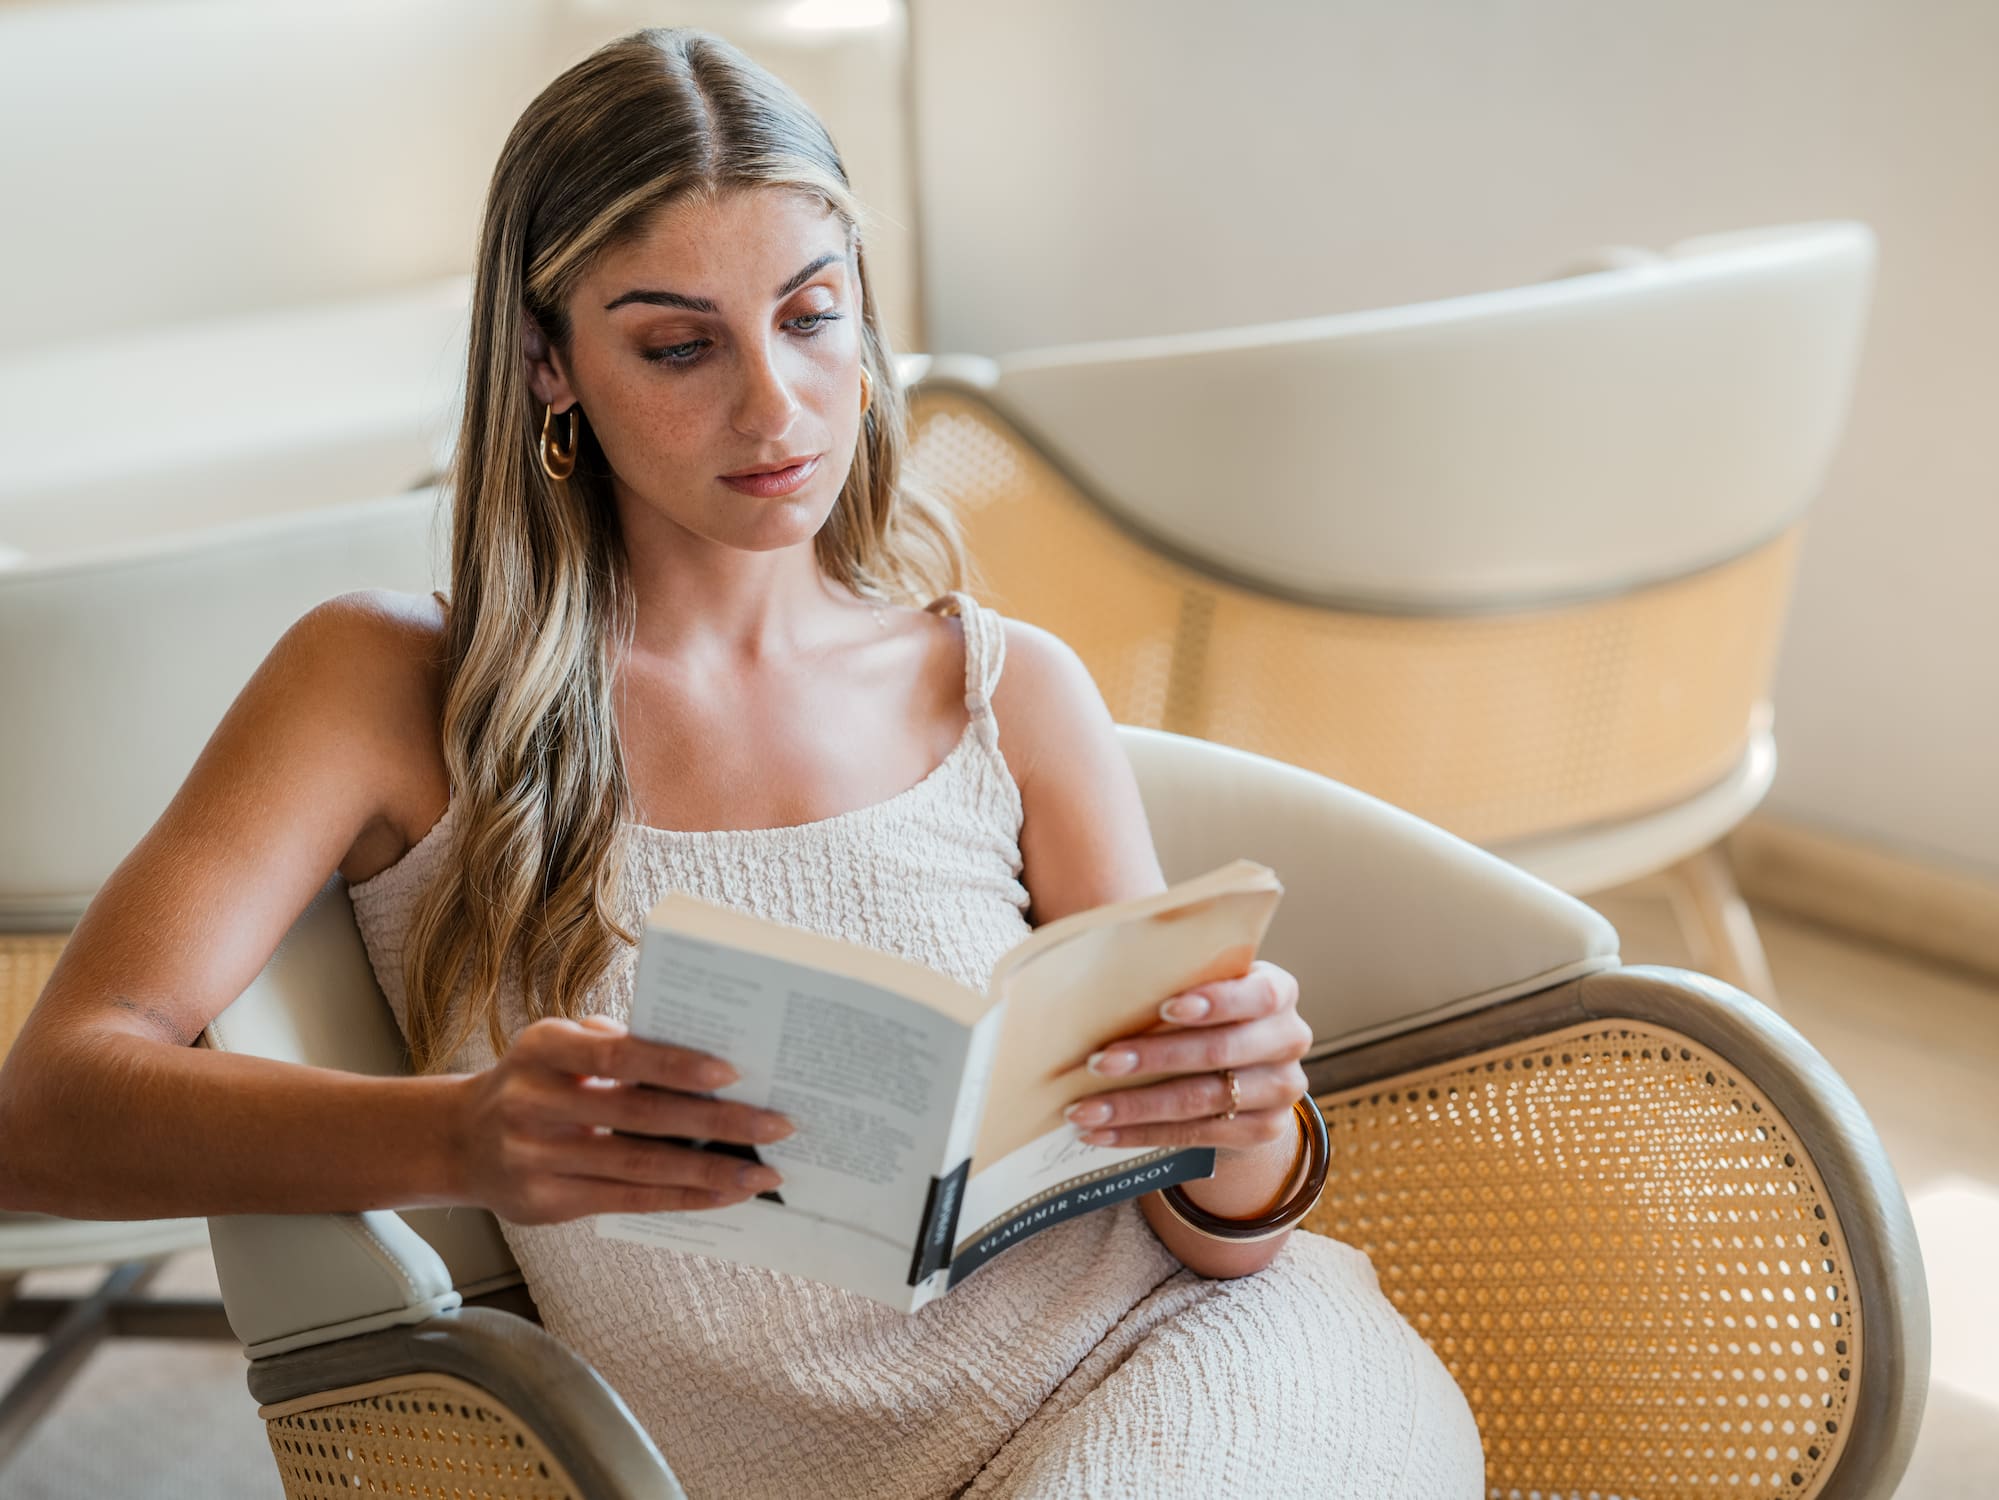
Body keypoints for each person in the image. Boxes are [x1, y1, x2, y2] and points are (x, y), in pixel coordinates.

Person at [0, 27, 1483, 1499]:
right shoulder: (392, 687)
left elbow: (1224, 1242)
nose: (774, 406)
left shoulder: (1007, 690)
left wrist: (1242, 1116)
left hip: (1206, 1372)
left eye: (812, 315)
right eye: (679, 344)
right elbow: (44, 1122)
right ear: (546, 362)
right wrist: (462, 1137)